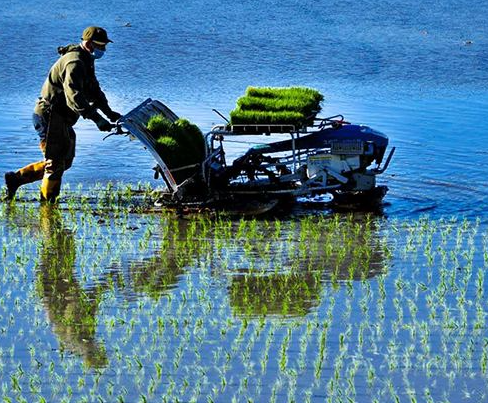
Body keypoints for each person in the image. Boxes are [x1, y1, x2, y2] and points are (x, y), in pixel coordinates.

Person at [4, 26, 122, 202]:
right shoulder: (74, 62)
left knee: (65, 161)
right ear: (89, 44)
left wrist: (109, 112)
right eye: (100, 46)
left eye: (104, 46)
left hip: (62, 117)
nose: (103, 50)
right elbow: (74, 96)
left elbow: (94, 90)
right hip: (50, 115)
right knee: (56, 163)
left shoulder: (86, 59)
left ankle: (16, 179)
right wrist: (97, 119)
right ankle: (48, 204)